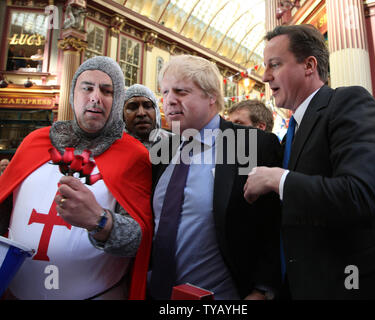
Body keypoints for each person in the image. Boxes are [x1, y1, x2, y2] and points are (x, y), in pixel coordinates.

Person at [244, 24, 375, 299]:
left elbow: (360, 196)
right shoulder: (290, 136)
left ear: (309, 65)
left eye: (274, 64)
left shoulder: (348, 103)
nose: (264, 76)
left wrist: (276, 179)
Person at [0, 56, 153, 300]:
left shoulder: (134, 156)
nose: (95, 97)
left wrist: (100, 221)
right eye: (87, 87)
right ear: (73, 94)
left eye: (107, 90)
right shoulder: (34, 142)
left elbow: (140, 242)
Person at [148, 54, 282, 300]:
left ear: (211, 96)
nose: (169, 101)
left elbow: (275, 224)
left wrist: (263, 289)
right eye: (165, 92)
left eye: (180, 91)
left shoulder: (248, 144)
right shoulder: (162, 150)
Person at [123, 84, 171, 150]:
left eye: (148, 106)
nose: (141, 113)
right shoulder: (111, 147)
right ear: (122, 114)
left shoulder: (176, 146)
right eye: (133, 107)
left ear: (156, 111)